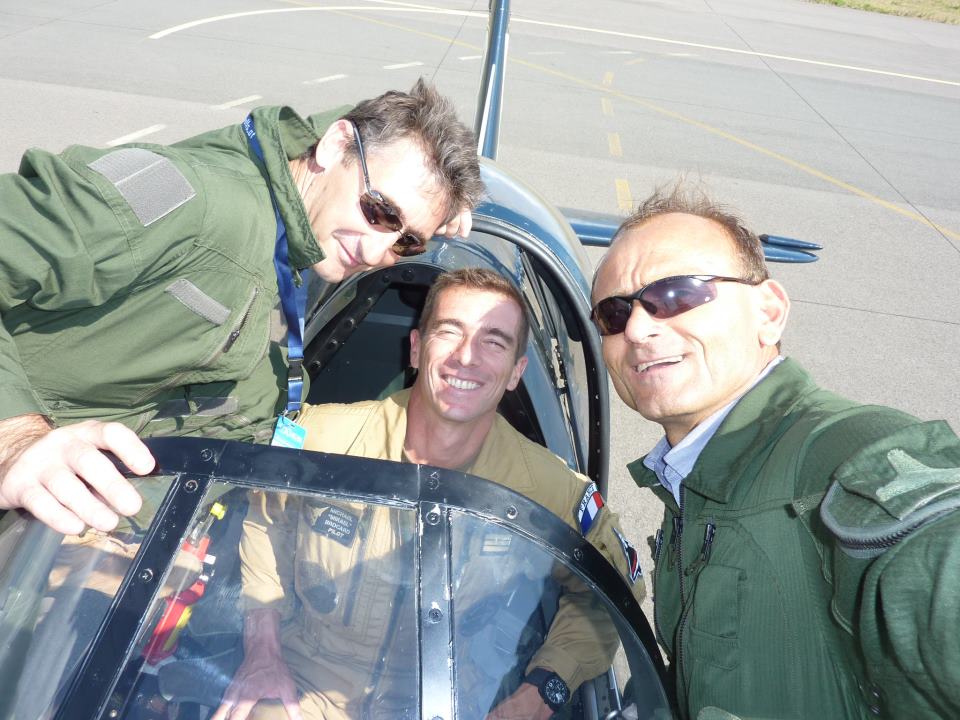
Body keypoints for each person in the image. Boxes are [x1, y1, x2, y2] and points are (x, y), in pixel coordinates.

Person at [0, 79, 483, 536]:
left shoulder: (308, 230)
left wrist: (430, 199)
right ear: (334, 146)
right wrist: (16, 436)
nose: (378, 252)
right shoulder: (190, 202)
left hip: (68, 539)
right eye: (380, 211)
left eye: (407, 243)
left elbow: (357, 143)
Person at [591, 183, 960, 719]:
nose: (639, 328)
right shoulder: (689, 474)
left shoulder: (856, 456)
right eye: (614, 313)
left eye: (676, 295)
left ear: (769, 312)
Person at [215, 268, 645, 720]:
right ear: (417, 348)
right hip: (311, 686)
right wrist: (262, 649)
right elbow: (265, 519)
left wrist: (540, 693)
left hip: (456, 699)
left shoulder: (546, 487)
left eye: (494, 342)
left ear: (516, 372)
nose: (467, 357)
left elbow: (614, 593)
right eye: (450, 331)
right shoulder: (320, 439)